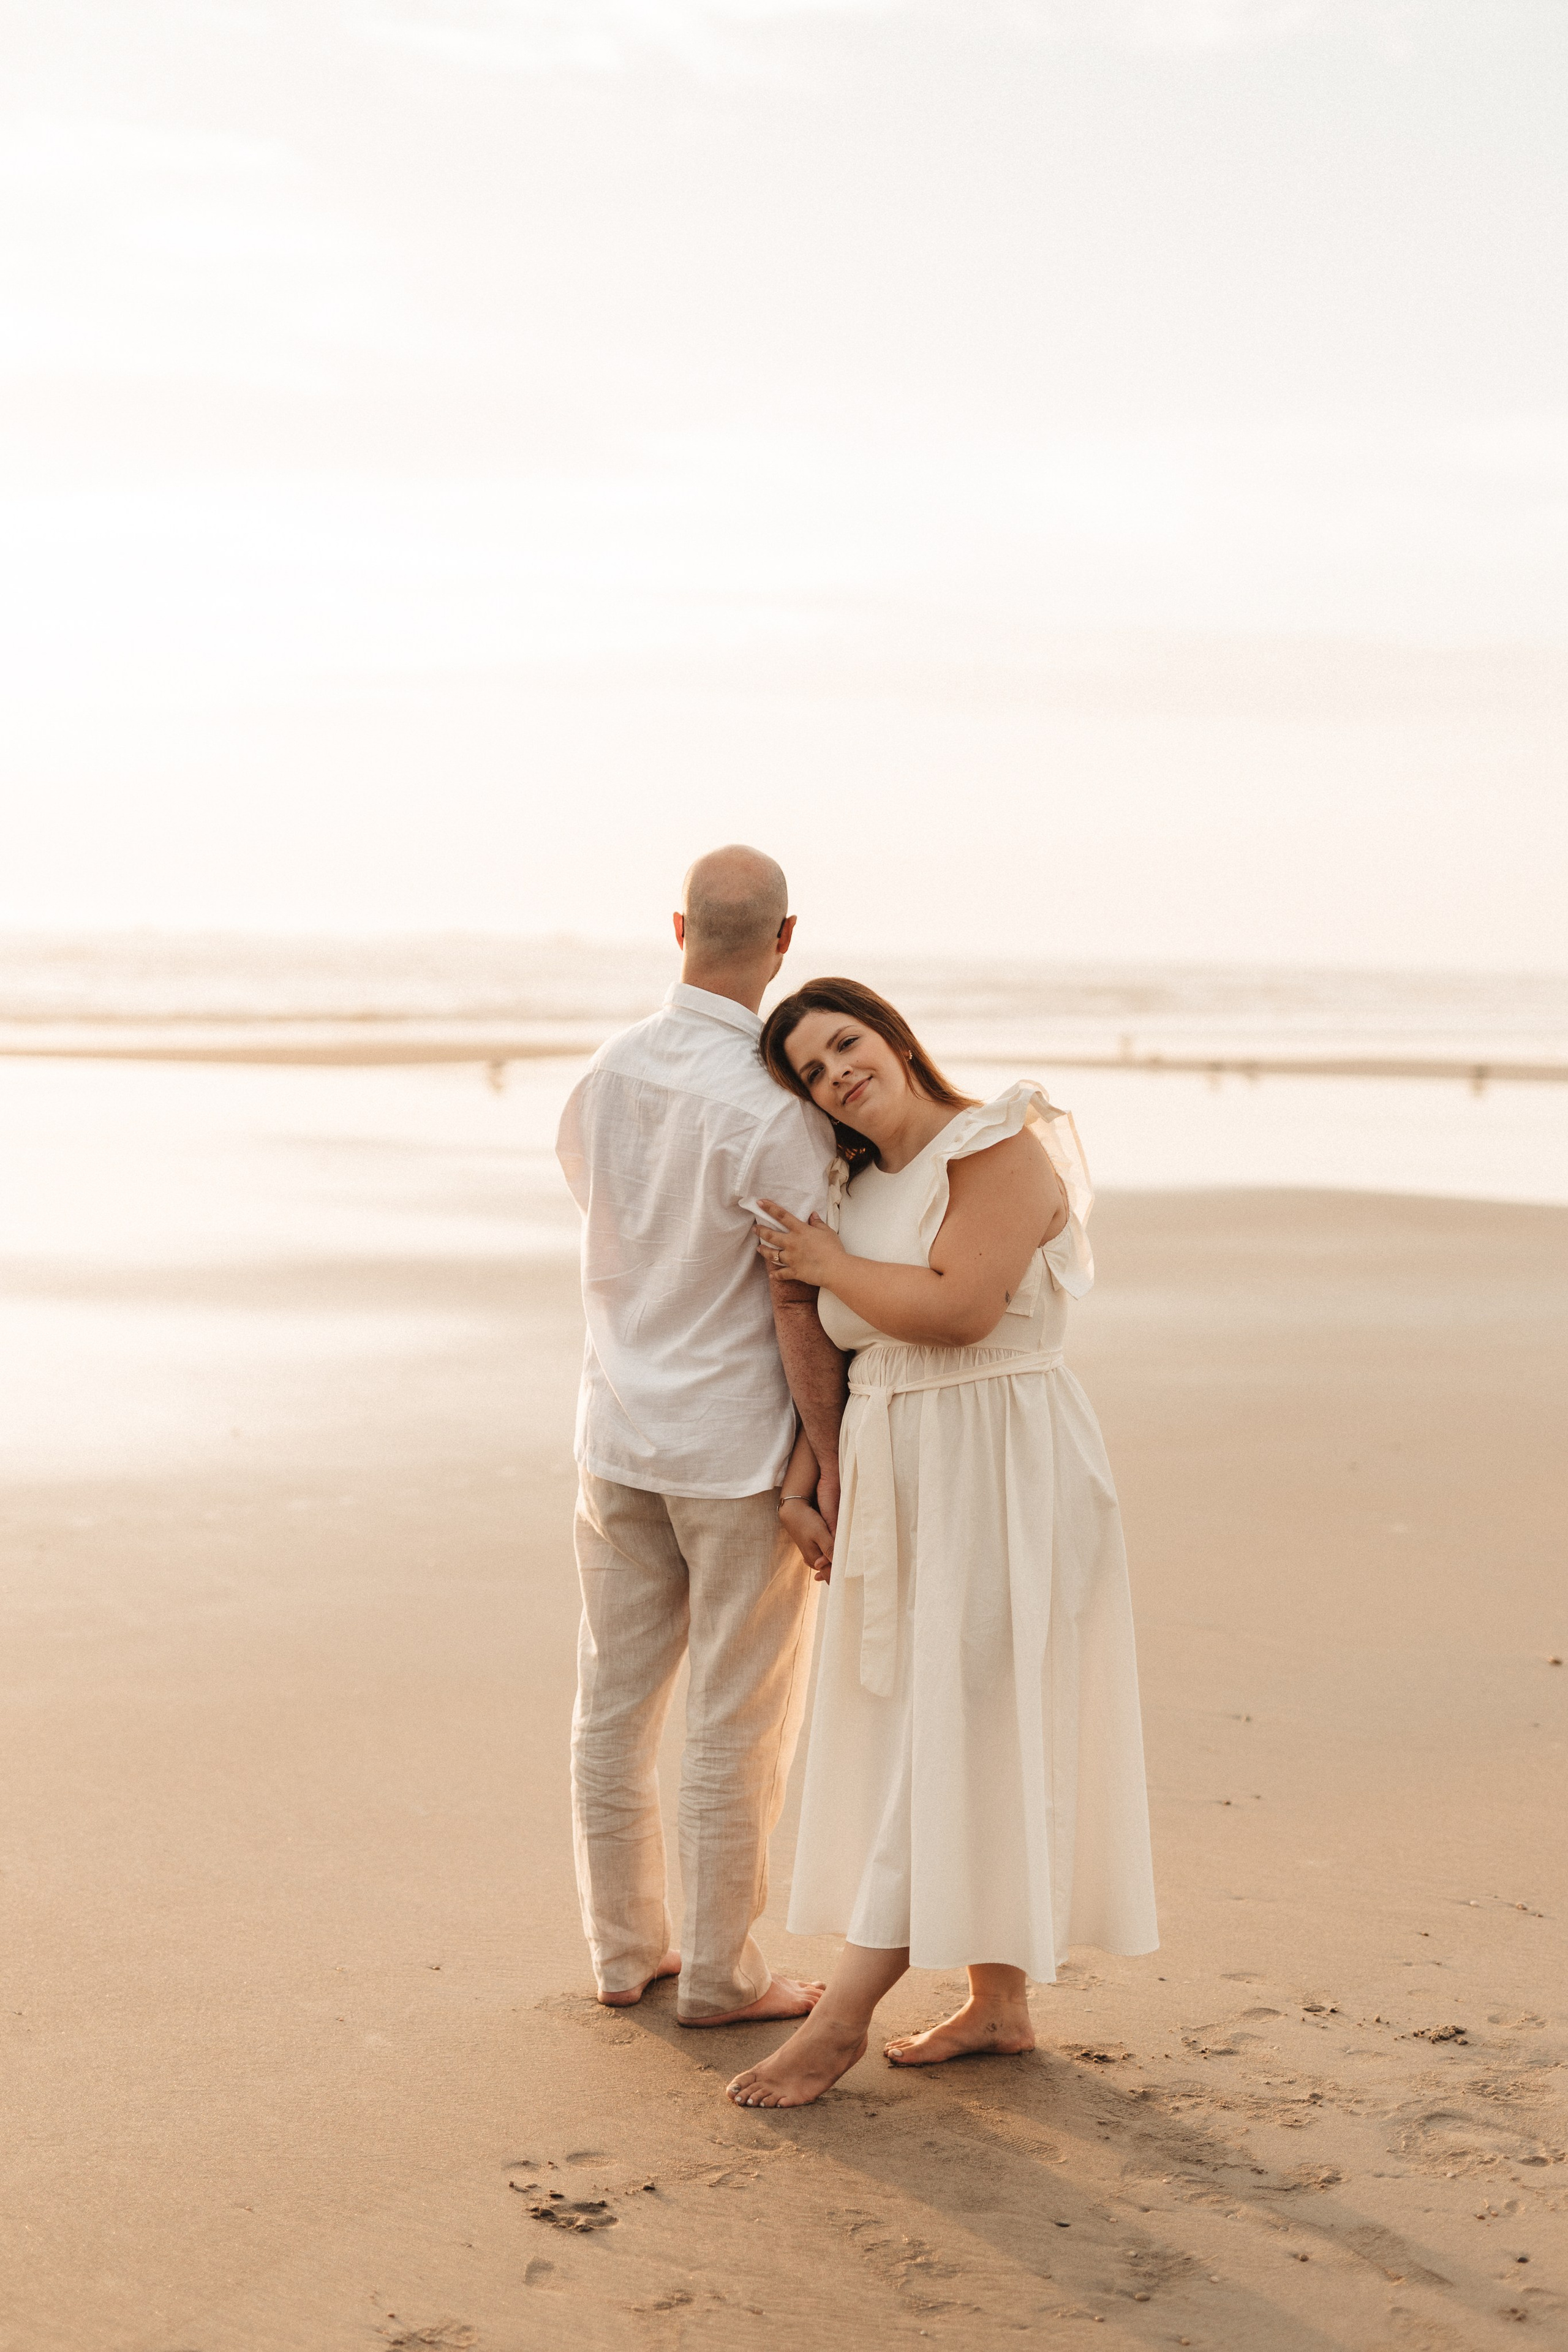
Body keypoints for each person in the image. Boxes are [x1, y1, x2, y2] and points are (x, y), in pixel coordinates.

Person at [727, 978, 1158, 2107]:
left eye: (845, 1044)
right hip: (902, 1465)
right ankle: (1000, 2003)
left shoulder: (999, 1144)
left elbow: (961, 1308)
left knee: (951, 1725)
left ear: (894, 1039)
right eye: (811, 1073)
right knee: (955, 1716)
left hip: (1009, 1461)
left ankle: (839, 2021)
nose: (836, 1076)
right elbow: (861, 1347)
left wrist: (823, 1267)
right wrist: (811, 1473)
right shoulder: (852, 1188)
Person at [555, 849, 847, 2026]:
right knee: (737, 1716)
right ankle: (724, 1976)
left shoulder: (606, 1071)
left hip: (616, 1432)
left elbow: (603, 1214)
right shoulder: (777, 1109)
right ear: (785, 942)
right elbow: (805, 1295)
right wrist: (825, 1459)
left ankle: (624, 1952)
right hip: (732, 1452)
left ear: (678, 927)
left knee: (612, 1704)